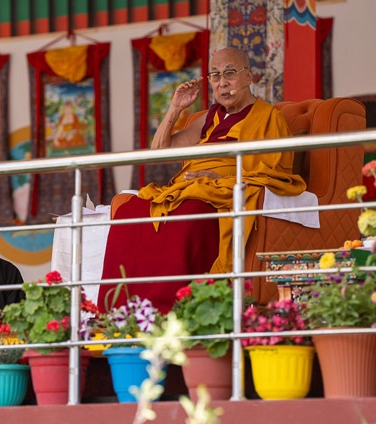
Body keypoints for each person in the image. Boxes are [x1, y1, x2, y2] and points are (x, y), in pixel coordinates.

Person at [99, 47, 306, 313]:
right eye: (215, 76)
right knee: (130, 211)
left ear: (248, 77)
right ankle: (118, 311)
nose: (222, 83)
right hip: (192, 189)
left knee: (191, 211)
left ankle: (170, 309)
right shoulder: (208, 118)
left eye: (230, 73)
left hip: (217, 191)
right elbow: (158, 153)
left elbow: (275, 170)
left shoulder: (268, 117)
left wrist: (221, 179)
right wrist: (175, 108)